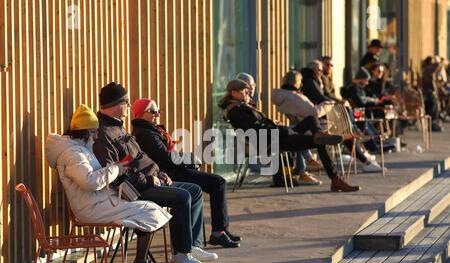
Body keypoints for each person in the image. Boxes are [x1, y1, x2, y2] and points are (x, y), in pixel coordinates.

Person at [93, 82, 218, 263]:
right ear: (116, 104)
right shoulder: (104, 134)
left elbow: (141, 157)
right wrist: (151, 179)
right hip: (133, 190)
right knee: (182, 196)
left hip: (150, 180)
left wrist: (159, 172)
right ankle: (180, 254)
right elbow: (116, 174)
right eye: (126, 102)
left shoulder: (118, 127)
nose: (129, 106)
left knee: (195, 190)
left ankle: (191, 245)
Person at [45, 105, 172, 263]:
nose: (97, 136)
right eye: (94, 132)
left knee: (148, 209)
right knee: (149, 211)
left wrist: (118, 168)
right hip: (91, 208)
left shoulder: (80, 150)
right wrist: (117, 168)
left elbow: (93, 178)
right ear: (85, 132)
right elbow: (90, 182)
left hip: (98, 202)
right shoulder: (73, 154)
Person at [131, 98, 241, 248]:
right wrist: (189, 160)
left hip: (173, 169)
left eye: (158, 111)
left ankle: (218, 231)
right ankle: (213, 235)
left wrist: (187, 159)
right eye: (153, 112)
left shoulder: (151, 130)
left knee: (216, 182)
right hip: (169, 173)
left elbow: (169, 155)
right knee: (217, 183)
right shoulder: (145, 133)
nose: (157, 115)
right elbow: (167, 158)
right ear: (141, 114)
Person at [219, 79, 361, 192]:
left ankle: (319, 134)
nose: (248, 95)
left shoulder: (242, 108)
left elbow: (260, 125)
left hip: (277, 135)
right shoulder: (236, 111)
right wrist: (285, 130)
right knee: (320, 142)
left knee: (311, 119)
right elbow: (257, 131)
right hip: (272, 142)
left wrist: (277, 125)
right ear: (234, 93)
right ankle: (335, 179)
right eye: (245, 92)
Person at [273, 71, 384, 173]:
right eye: (300, 82)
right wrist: (327, 105)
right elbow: (313, 113)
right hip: (310, 128)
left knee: (344, 125)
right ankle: (364, 158)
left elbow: (308, 111)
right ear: (296, 82)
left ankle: (360, 148)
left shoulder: (285, 95)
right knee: (343, 129)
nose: (301, 84)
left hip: (303, 125)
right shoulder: (294, 96)